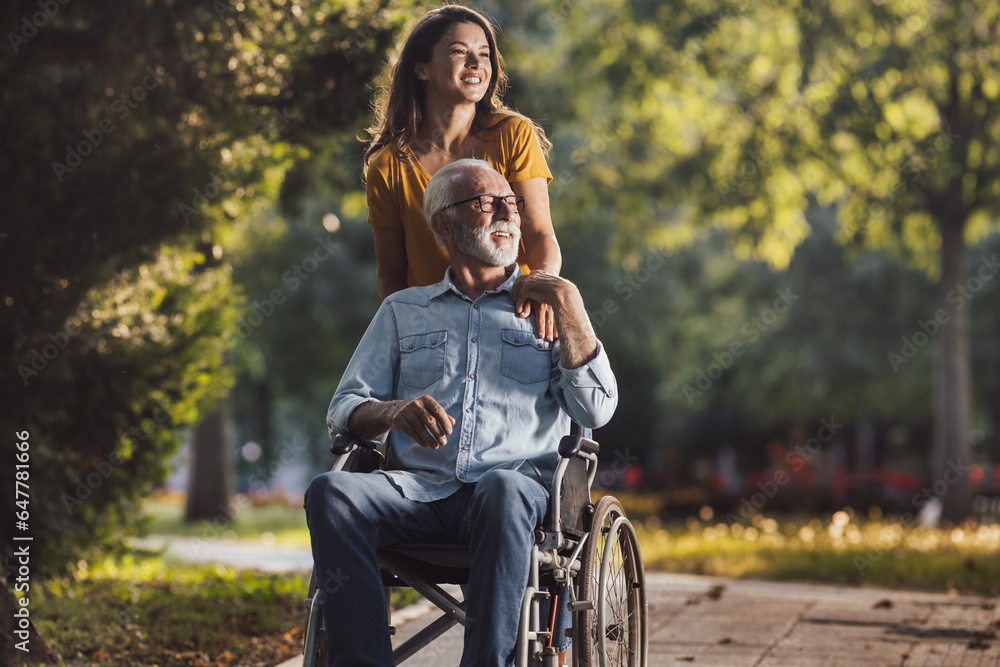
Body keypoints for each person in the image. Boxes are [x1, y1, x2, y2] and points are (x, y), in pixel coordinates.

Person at [306, 159, 617, 667]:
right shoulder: (403, 311)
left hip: (516, 499)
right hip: (417, 495)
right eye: (486, 202)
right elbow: (344, 408)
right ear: (443, 225)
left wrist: (569, 303)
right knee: (331, 491)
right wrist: (392, 411)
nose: (507, 213)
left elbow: (597, 409)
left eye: (511, 203)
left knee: (502, 485)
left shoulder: (549, 309)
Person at [364, 5, 562, 340]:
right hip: (435, 334)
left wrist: (544, 289)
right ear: (421, 69)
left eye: (484, 54)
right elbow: (391, 277)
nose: (476, 64)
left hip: (515, 321)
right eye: (459, 51)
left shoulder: (513, 134)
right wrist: (401, 340)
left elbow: (540, 233)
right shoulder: (387, 166)